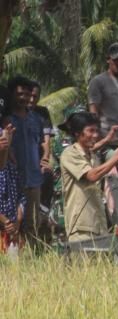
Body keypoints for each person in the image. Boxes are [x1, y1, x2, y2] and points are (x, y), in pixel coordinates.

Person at [60, 112, 118, 242]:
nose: (96, 135)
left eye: (97, 131)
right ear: (77, 133)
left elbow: (93, 148)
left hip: (98, 225)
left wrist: (108, 140)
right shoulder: (69, 153)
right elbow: (92, 176)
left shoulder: (91, 155)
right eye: (90, 131)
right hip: (81, 226)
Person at [4, 76, 45, 243]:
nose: (24, 98)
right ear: (12, 94)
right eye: (20, 94)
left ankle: (32, 263)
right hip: (11, 181)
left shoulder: (36, 119)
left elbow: (41, 145)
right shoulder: (5, 120)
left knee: (32, 226)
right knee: (11, 226)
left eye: (28, 94)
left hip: (33, 181)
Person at [29, 81, 56, 209]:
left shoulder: (42, 112)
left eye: (35, 96)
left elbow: (46, 141)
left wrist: (44, 160)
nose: (31, 99)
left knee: (47, 176)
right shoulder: (14, 113)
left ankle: (43, 214)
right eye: (30, 95)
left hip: (38, 157)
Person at [0, 122, 25, 251]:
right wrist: (5, 221)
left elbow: (21, 196)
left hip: (12, 231)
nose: (5, 142)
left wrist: (18, 219)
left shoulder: (11, 168)